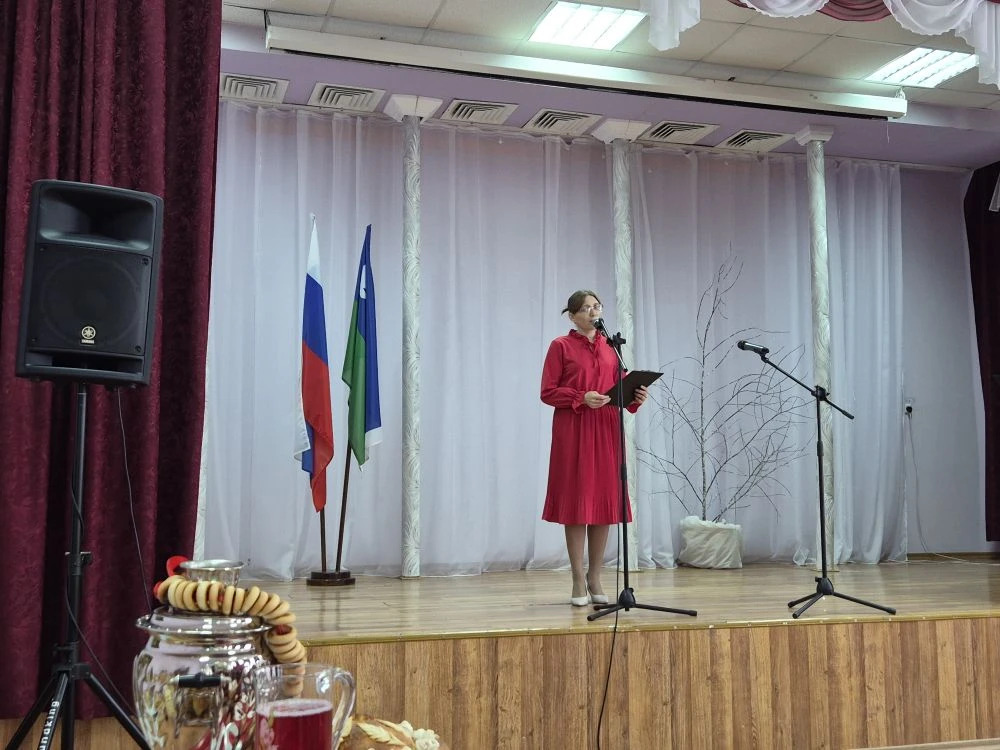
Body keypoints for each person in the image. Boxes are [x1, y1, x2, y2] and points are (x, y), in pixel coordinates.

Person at [540, 290, 647, 607]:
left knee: (603, 504)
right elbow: (547, 392)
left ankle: (595, 576)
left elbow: (621, 388)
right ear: (572, 315)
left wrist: (635, 397)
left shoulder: (611, 346)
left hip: (606, 429)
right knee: (577, 504)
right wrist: (580, 397)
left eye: (596, 306)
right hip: (574, 429)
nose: (593, 312)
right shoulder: (560, 346)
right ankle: (577, 577)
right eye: (586, 308)